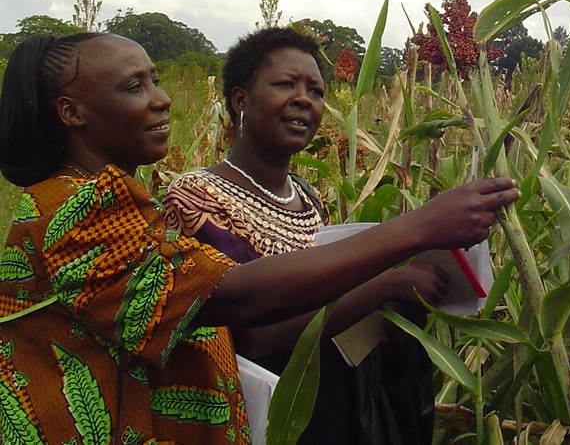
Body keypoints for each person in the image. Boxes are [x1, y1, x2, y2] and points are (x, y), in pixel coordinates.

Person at [0, 32, 518, 444]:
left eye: (155, 80)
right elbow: (232, 298)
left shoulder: (117, 201)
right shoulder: (76, 205)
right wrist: (415, 231)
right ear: (72, 113)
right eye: (135, 87)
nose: (162, 101)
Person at [162, 27, 440, 444]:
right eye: (285, 84)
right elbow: (250, 335)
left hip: (327, 407)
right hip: (260, 417)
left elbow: (328, 306)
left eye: (315, 90)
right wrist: (387, 284)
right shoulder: (196, 197)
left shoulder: (309, 197)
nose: (304, 99)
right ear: (241, 100)